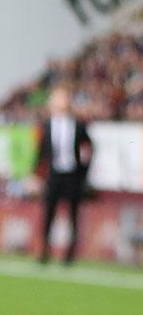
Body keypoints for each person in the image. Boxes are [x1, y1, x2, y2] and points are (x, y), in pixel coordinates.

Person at [34, 86, 92, 266]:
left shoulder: (78, 125)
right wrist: (36, 175)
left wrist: (83, 171)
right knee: (49, 211)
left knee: (73, 214)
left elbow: (88, 148)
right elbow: (40, 153)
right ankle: (45, 249)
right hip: (54, 175)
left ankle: (70, 253)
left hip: (72, 175)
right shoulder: (47, 126)